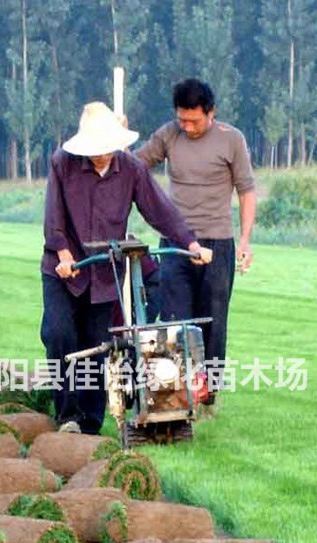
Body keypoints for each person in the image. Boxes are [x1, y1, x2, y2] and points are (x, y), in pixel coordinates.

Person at [41, 101, 211, 435]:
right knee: (61, 336)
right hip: (65, 269)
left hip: (105, 271)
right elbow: (53, 215)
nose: (102, 156)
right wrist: (62, 253)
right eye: (96, 150)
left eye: (107, 149)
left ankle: (89, 424)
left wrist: (190, 244)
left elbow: (160, 210)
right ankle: (67, 417)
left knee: (98, 344)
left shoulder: (131, 169)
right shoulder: (63, 163)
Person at [136, 78, 257, 405]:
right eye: (182, 120)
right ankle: (176, 392)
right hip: (176, 243)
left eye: (194, 120)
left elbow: (246, 191)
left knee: (213, 321)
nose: (187, 127)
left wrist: (245, 241)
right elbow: (134, 165)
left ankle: (208, 394)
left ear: (211, 112)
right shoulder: (168, 135)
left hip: (218, 243)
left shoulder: (232, 140)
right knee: (175, 321)